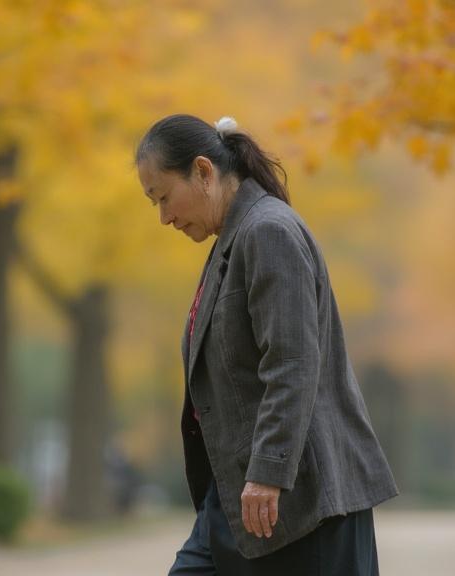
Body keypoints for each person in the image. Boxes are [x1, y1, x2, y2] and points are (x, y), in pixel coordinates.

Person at [136, 114, 398, 575]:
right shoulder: (232, 240)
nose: (164, 217)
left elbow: (292, 362)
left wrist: (268, 472)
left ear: (203, 171)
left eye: (163, 197)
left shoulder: (267, 232)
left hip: (299, 497)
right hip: (243, 496)